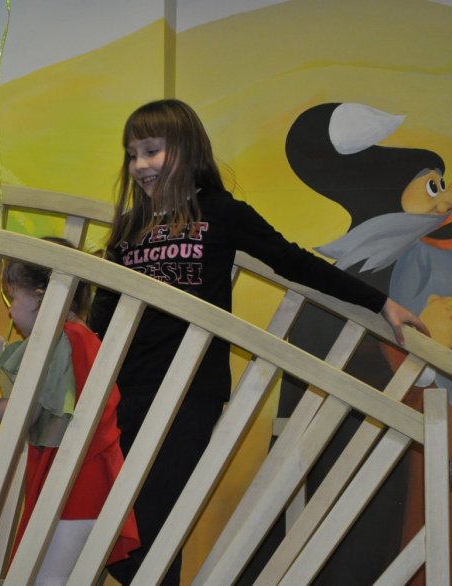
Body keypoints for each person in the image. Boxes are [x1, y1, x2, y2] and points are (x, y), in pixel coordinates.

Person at [87, 99, 430, 586]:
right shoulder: (129, 227)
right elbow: (103, 312)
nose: (140, 165)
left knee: (154, 520)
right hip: (127, 389)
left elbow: (293, 260)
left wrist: (379, 302)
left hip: (190, 391)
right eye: (132, 155)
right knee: (116, 520)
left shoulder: (220, 212)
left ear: (186, 150)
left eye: (152, 151)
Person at [0, 238, 140, 586]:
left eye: (12, 300)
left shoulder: (62, 342)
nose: (10, 312)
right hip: (91, 488)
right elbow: (10, 356)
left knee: (46, 580)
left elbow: (24, 411)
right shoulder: (76, 338)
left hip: (77, 492)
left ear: (43, 297)